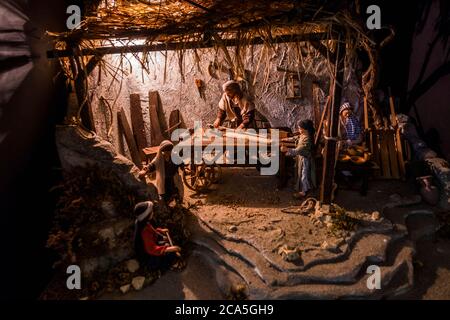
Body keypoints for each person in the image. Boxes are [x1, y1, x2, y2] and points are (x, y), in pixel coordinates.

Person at [133, 201, 181, 270]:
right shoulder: (144, 232)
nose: (153, 213)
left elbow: (152, 231)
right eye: (151, 212)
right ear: (147, 215)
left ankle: (171, 254)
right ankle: (174, 265)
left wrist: (160, 231)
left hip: (151, 247)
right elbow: (151, 249)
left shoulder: (142, 223)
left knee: (166, 243)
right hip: (149, 258)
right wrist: (169, 249)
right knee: (170, 253)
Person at [138, 140, 183, 204]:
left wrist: (185, 169)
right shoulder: (159, 159)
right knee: (166, 196)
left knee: (177, 192)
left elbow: (180, 163)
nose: (168, 153)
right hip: (164, 180)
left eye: (170, 151)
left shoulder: (174, 156)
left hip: (174, 178)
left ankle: (178, 205)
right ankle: (167, 207)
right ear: (163, 151)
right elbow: (152, 165)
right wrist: (145, 171)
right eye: (166, 151)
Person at [281, 120, 316, 199]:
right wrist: (285, 139)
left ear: (305, 129)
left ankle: (304, 192)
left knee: (304, 176)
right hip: (301, 158)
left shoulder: (307, 139)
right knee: (300, 174)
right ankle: (301, 188)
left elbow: (298, 150)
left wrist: (286, 149)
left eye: (300, 128)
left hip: (305, 160)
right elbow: (295, 138)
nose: (299, 129)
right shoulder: (303, 135)